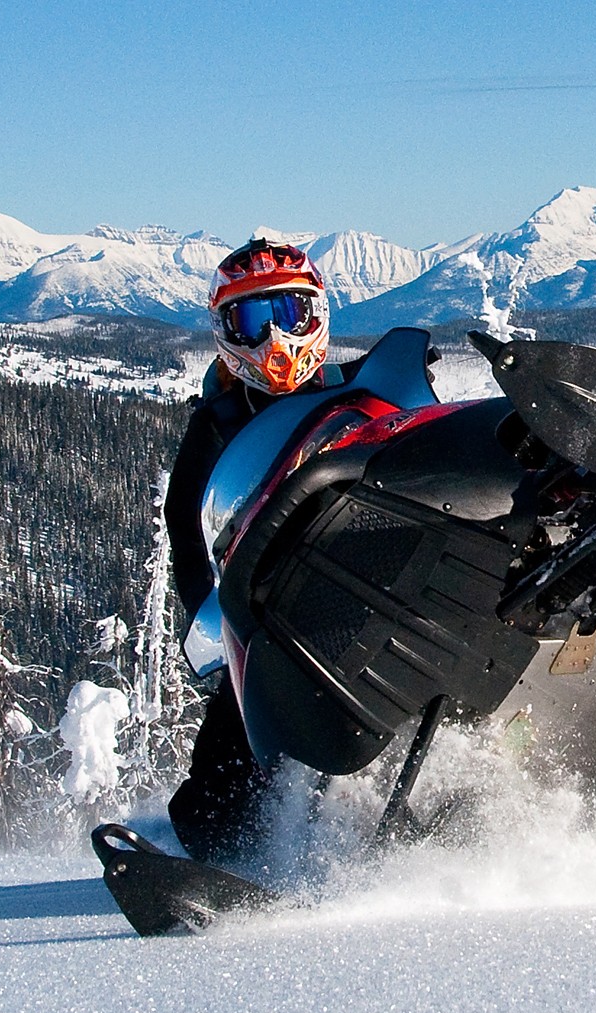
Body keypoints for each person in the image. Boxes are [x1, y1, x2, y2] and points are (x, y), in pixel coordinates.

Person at [164, 236, 334, 863]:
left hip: (372, 583)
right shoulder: (217, 422)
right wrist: (214, 618)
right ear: (224, 331)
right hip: (273, 624)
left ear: (316, 314)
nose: (274, 339)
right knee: (216, 798)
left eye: (288, 314)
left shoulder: (356, 392)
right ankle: (226, 860)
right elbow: (185, 522)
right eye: (252, 320)